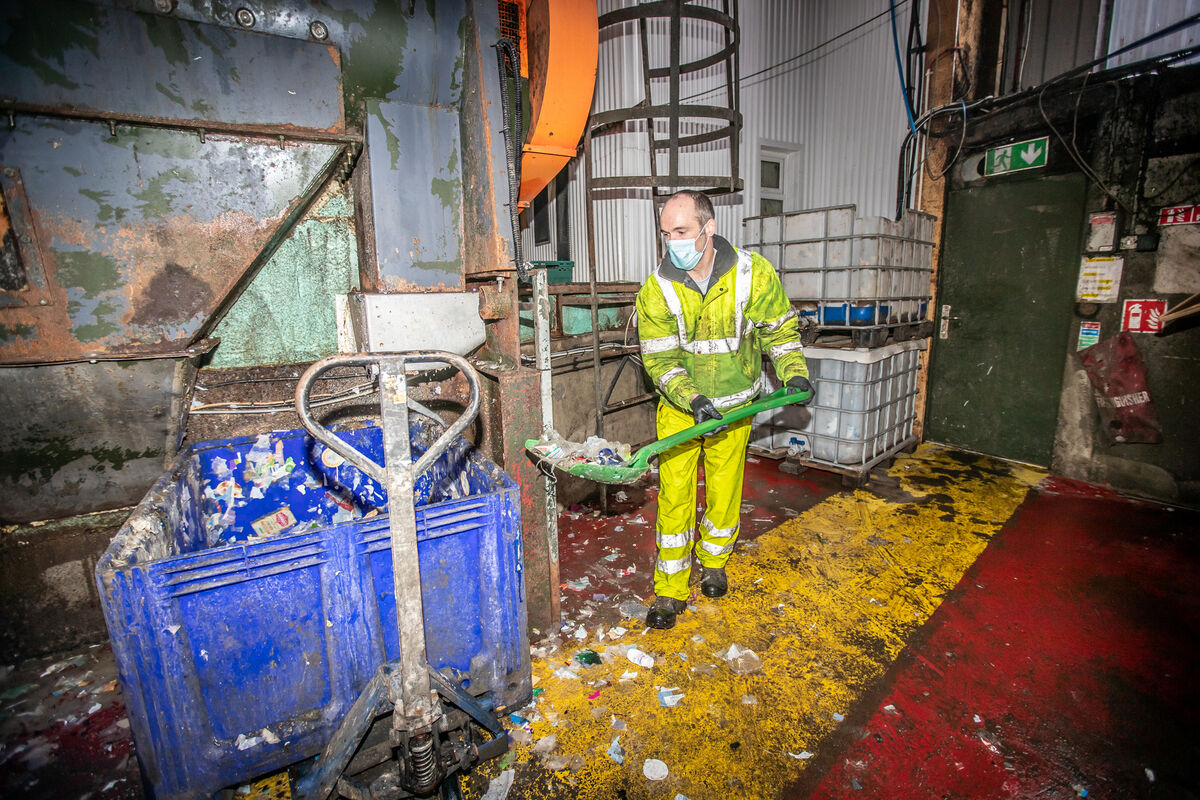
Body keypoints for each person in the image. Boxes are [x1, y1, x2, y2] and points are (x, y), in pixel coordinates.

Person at [634, 190, 813, 630]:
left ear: (708, 228)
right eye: (665, 233)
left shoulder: (754, 274)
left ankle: (714, 563)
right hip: (682, 410)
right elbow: (659, 359)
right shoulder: (657, 289)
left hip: (735, 407)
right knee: (675, 497)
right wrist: (692, 398)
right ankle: (670, 590)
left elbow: (779, 330)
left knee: (725, 488)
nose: (672, 241)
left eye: (681, 231)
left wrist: (794, 372)